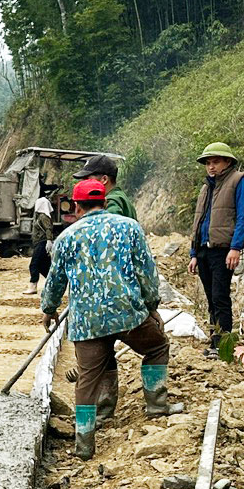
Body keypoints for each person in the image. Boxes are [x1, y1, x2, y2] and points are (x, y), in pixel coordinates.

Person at [41, 179, 183, 460]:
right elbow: (146, 272)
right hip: (128, 314)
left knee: (87, 379)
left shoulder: (66, 238)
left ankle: (84, 444)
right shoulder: (129, 228)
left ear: (77, 207)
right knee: (156, 348)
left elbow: (55, 281)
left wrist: (49, 309)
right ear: (105, 203)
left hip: (87, 322)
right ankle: (156, 406)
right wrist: (151, 306)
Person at [71, 154, 136, 412]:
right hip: (119, 286)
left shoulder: (113, 205)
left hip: (108, 291)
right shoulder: (122, 200)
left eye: (89, 178)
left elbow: (106, 245)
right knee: (106, 348)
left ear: (104, 180)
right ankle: (104, 407)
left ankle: (94, 419)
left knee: (101, 347)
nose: (86, 182)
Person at [187, 142, 244, 358]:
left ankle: (224, 347)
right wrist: (194, 253)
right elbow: (200, 222)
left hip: (224, 250)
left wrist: (235, 247)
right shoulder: (207, 187)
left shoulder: (239, 181)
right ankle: (215, 341)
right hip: (205, 251)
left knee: (220, 297)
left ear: (228, 162)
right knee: (211, 298)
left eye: (216, 161)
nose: (211, 166)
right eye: (208, 163)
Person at [73, 154, 135, 218]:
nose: (83, 183)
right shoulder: (119, 196)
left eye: (87, 179)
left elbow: (109, 224)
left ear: (104, 179)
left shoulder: (112, 201)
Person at [24, 185, 57, 295]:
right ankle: (53, 284)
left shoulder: (43, 216)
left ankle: (33, 285)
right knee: (44, 266)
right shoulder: (42, 216)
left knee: (34, 264)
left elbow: (48, 228)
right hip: (41, 242)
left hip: (42, 243)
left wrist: (49, 240)